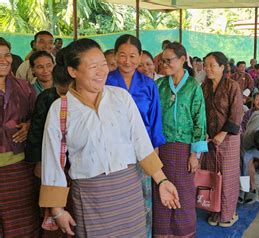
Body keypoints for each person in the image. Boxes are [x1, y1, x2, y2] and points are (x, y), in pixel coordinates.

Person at [40, 38, 180, 237]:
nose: (101, 72)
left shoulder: (121, 97)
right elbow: (53, 161)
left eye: (104, 65)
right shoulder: (60, 110)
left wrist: (162, 181)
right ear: (73, 71)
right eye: (93, 67)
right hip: (91, 197)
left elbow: (141, 142)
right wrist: (57, 210)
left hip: (129, 189)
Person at [106, 34, 166, 238]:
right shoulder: (105, 81)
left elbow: (155, 121)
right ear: (114, 55)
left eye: (133, 56)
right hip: (113, 153)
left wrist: (154, 153)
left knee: (143, 202)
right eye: (122, 55)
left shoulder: (149, 85)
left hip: (143, 153)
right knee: (117, 204)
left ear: (140, 56)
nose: (127, 61)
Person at [155, 42, 207, 238]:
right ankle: (162, 232)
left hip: (185, 150)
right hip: (162, 149)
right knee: (161, 190)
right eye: (162, 61)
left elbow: (199, 121)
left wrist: (195, 153)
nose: (164, 64)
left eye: (169, 60)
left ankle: (182, 232)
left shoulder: (193, 87)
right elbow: (154, 118)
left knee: (184, 194)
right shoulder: (159, 85)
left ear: (183, 60)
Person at [0, 37, 39, 238]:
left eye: (6, 54)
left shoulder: (23, 86)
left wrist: (30, 125)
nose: (4, 60)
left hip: (20, 166)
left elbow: (38, 116)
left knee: (24, 223)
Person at [201, 51, 244, 227]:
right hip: (210, 138)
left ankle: (227, 213)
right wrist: (203, 131)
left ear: (222, 67)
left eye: (211, 65)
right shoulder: (204, 86)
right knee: (212, 174)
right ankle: (214, 210)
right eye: (205, 65)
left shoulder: (232, 86)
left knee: (227, 176)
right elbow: (200, 110)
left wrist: (222, 133)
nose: (207, 68)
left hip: (228, 138)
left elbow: (236, 114)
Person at [25, 48, 72, 177]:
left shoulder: (80, 97)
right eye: (40, 67)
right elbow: (37, 131)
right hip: (50, 153)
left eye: (49, 66)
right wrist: (38, 161)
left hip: (74, 156)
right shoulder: (44, 97)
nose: (46, 71)